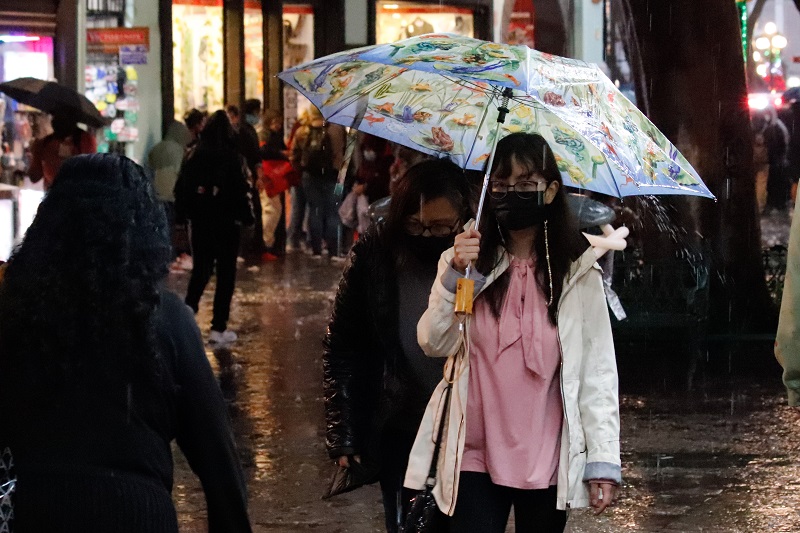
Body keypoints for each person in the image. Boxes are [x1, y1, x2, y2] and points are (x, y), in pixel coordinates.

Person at [0, 154, 252, 532]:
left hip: (34, 510)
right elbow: (218, 461)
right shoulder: (165, 317)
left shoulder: (13, 311)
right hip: (136, 515)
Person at [406, 133, 621, 532]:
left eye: (526, 185)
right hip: (473, 453)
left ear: (551, 190)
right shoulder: (468, 262)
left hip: (548, 456)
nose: (511, 194)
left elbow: (598, 371)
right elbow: (434, 342)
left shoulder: (577, 272)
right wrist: (454, 275)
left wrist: (602, 461)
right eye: (501, 185)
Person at [324, 159, 474, 533]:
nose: (426, 235)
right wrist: (345, 431)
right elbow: (343, 343)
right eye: (414, 224)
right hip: (400, 422)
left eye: (440, 227)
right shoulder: (374, 253)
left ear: (464, 219)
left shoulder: (485, 258)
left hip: (466, 429)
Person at [175, 111, 254, 345]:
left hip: (200, 222)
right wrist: (247, 217)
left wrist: (182, 216)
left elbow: (182, 188)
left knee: (202, 268)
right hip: (227, 223)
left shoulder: (194, 154)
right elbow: (241, 190)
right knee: (226, 274)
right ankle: (218, 328)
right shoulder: (233, 156)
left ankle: (188, 311)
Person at [292, 107, 346, 258]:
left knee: (315, 210)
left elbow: (294, 155)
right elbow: (345, 151)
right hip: (333, 175)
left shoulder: (302, 131)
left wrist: (301, 169)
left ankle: (316, 249)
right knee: (332, 212)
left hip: (310, 176)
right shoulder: (337, 129)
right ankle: (333, 250)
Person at [147, 120, 193, 266]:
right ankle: (170, 256)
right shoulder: (179, 151)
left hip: (155, 192)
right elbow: (181, 174)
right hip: (171, 194)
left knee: (160, 226)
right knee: (170, 226)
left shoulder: (156, 148)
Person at [28, 113, 97, 190]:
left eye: (63, 116)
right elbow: (34, 177)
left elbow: (90, 175)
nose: (54, 121)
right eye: (55, 116)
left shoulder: (85, 140)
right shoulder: (45, 143)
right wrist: (35, 152)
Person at [259, 109, 291, 260]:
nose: (278, 126)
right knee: (271, 209)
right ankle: (266, 243)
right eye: (275, 122)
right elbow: (264, 152)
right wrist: (281, 154)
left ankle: (267, 243)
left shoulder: (272, 136)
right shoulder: (265, 136)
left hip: (273, 177)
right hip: (269, 177)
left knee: (273, 209)